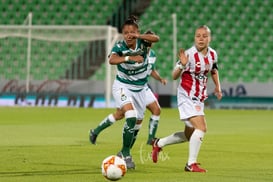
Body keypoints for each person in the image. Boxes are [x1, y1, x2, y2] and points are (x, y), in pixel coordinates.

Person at [91, 15, 159, 169]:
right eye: (125, 32)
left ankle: (123, 152)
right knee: (130, 115)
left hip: (141, 90)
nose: (128, 35)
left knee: (137, 123)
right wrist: (129, 58)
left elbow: (156, 38)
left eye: (132, 32)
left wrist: (139, 36)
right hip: (123, 86)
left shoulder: (143, 43)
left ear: (137, 33)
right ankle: (127, 154)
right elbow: (112, 60)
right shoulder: (120, 47)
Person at [151, 25, 222, 173]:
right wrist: (182, 65)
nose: (201, 39)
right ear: (194, 38)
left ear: (210, 38)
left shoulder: (213, 54)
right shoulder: (189, 55)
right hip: (187, 96)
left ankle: (159, 143)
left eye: (204, 36)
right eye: (198, 36)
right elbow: (174, 75)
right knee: (202, 128)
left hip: (199, 98)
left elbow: (214, 70)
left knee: (190, 135)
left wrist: (217, 87)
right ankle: (191, 164)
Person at [89, 30, 166, 147]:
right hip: (128, 87)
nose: (150, 42)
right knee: (120, 114)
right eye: (147, 40)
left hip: (143, 88)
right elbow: (115, 59)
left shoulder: (152, 55)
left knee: (156, 110)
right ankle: (95, 131)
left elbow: (152, 70)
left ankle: (150, 139)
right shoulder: (135, 51)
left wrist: (160, 79)